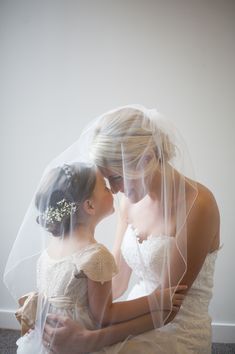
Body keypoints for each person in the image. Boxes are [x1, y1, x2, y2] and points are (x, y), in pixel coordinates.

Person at [5, 105, 220, 354]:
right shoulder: (129, 201)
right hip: (136, 311)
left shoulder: (199, 205)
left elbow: (169, 306)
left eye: (117, 177)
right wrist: (69, 306)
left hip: (175, 325)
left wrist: (88, 340)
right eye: (108, 181)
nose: (115, 191)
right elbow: (116, 284)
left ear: (147, 159)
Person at [13, 161, 185, 354]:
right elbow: (106, 315)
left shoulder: (52, 248)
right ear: (90, 205)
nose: (112, 190)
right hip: (75, 341)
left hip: (48, 339)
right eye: (105, 187)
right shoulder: (96, 256)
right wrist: (156, 299)